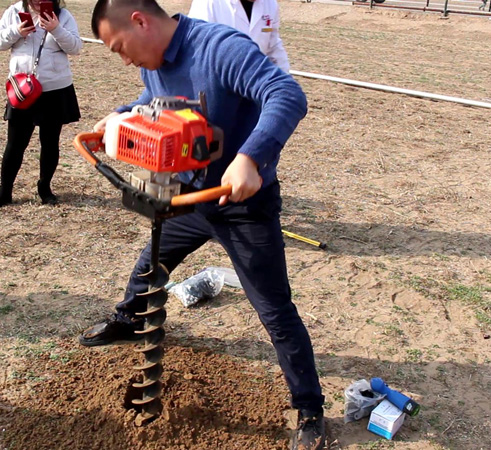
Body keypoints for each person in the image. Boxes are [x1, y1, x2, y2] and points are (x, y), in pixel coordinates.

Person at [78, 1, 325, 448]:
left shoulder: (220, 48)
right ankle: (129, 319)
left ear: (140, 21)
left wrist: (250, 158)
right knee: (152, 260)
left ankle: (309, 409)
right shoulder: (154, 62)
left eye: (120, 49)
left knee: (273, 309)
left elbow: (287, 94)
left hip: (242, 204)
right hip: (191, 197)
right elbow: (159, 104)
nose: (125, 59)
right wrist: (122, 114)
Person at [0, 0, 82, 209]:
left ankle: (45, 188)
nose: (39, 1)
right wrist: (16, 31)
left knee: (50, 142)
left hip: (55, 89)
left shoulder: (63, 16)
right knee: (15, 143)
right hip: (23, 89)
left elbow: (76, 47)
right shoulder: (14, 12)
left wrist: (56, 29)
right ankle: (5, 191)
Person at [188, 0, 290, 72]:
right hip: (219, 83)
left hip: (255, 82)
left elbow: (273, 47)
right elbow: (196, 48)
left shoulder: (270, 4)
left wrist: (286, 82)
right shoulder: (208, 3)